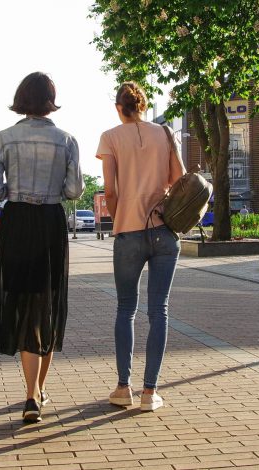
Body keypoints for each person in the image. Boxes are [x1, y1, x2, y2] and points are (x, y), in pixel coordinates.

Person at [0, 72, 83, 423]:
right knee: (47, 304)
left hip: (17, 223)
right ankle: (36, 392)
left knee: (23, 301)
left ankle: (31, 395)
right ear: (50, 100)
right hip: (50, 223)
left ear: (21, 98)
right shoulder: (67, 140)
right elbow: (74, 192)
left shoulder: (3, 139)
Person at [96, 82, 186, 412]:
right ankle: (151, 393)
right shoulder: (164, 133)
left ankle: (123, 388)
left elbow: (110, 191)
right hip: (164, 231)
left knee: (125, 309)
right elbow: (180, 179)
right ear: (143, 105)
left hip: (129, 232)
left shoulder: (110, 137)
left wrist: (122, 220)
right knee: (159, 310)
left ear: (118, 107)